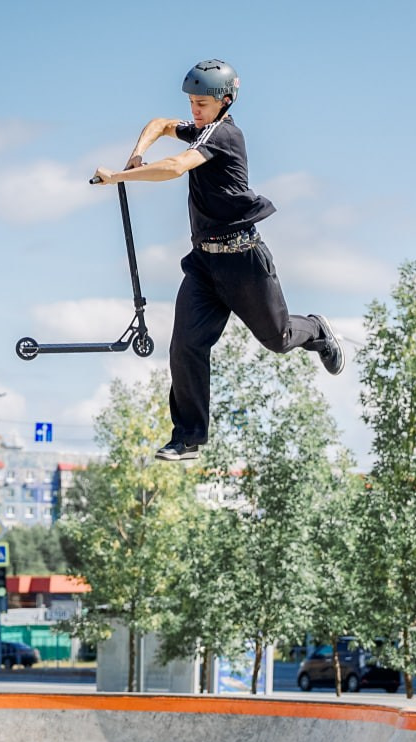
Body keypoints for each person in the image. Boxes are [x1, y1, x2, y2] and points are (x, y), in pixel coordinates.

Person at [93, 59, 345, 462]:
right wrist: (136, 155)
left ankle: (315, 328)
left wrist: (118, 179)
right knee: (185, 345)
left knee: (278, 339)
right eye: (192, 103)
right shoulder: (201, 128)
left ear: (225, 102)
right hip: (204, 266)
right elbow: (159, 122)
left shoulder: (223, 135)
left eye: (202, 105)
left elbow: (176, 167)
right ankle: (189, 437)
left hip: (243, 262)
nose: (194, 111)